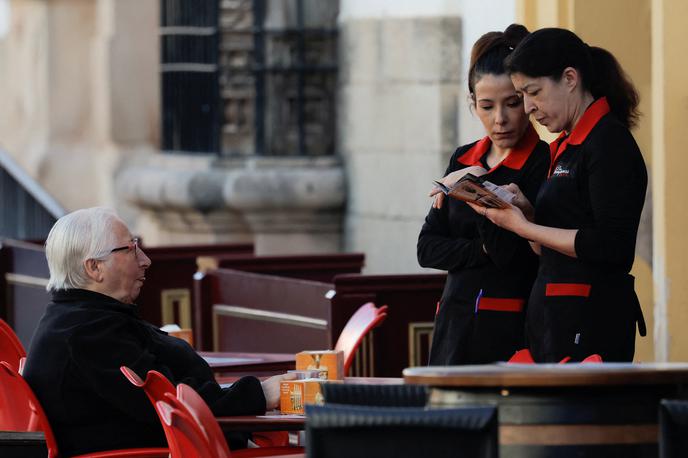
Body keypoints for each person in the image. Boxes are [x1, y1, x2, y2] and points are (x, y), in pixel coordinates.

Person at [23, 207, 294, 456]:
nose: (145, 260)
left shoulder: (82, 318)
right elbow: (171, 404)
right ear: (94, 267)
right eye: (130, 249)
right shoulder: (87, 333)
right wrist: (262, 394)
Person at [473, 27, 647, 362]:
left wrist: (523, 227)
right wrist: (527, 214)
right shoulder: (566, 146)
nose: (527, 108)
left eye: (533, 92)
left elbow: (612, 246)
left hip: (590, 323)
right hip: (553, 321)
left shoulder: (609, 143)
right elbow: (549, 246)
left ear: (570, 78)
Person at [417, 24, 550, 365]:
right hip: (451, 323)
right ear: (473, 103)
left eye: (512, 103)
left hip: (505, 327)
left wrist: (475, 190)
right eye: (487, 106)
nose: (500, 119)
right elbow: (427, 248)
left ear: (527, 99)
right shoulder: (462, 157)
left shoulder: (542, 161)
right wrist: (482, 249)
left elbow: (511, 256)